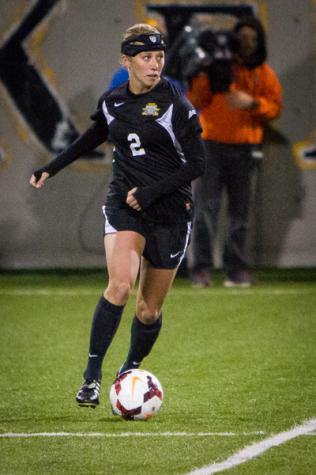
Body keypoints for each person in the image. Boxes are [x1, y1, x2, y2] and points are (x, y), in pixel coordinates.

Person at [29, 23, 205, 407]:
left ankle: (128, 370)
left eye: (159, 57)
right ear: (126, 61)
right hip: (125, 206)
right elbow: (93, 136)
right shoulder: (113, 102)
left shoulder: (176, 104)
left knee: (148, 309)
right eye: (146, 58)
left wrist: (152, 192)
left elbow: (198, 163)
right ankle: (91, 377)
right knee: (120, 286)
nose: (155, 64)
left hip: (171, 211)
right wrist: (51, 167)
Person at [187, 16, 282, 287]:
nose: (248, 44)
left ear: (259, 42)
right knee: (205, 209)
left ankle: (235, 270)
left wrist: (252, 102)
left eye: (253, 39)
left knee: (240, 214)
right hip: (212, 145)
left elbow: (275, 108)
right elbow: (195, 101)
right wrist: (203, 75)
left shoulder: (264, 73)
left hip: (246, 149)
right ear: (233, 40)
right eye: (243, 38)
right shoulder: (218, 68)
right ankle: (201, 269)